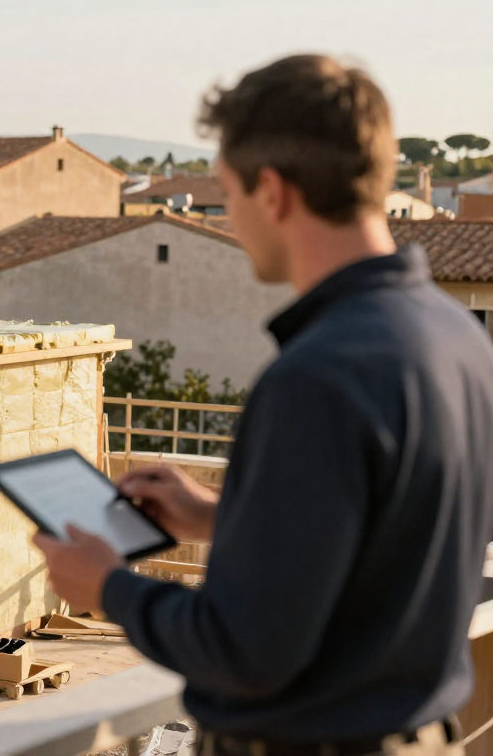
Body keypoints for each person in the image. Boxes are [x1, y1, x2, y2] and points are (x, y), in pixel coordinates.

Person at [35, 54, 493, 756]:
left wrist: (108, 587)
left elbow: (249, 649)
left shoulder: (320, 376)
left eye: (228, 194)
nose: (232, 218)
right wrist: (225, 517)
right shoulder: (458, 338)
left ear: (273, 191)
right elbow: (393, 532)